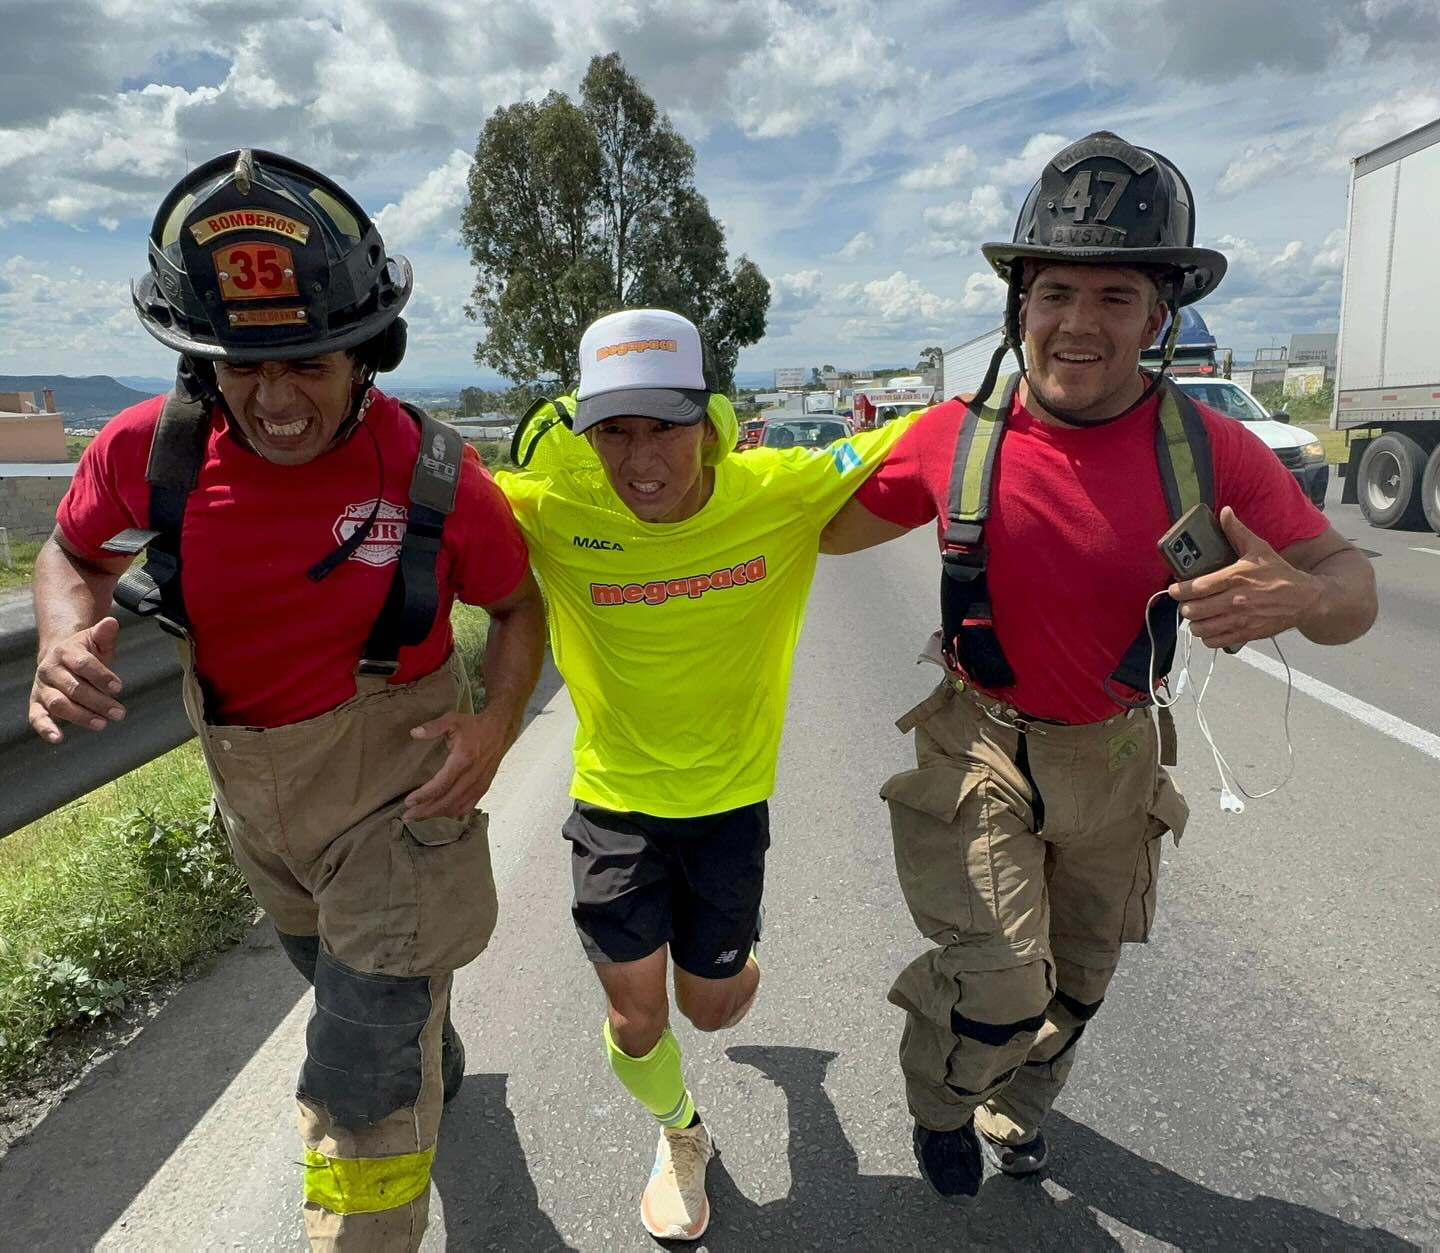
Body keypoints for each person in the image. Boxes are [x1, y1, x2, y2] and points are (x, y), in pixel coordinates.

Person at [820, 131, 1377, 1200]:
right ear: (1017, 305)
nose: (1079, 322)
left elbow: (1349, 588)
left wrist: (1305, 597)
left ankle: (1014, 1106)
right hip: (978, 738)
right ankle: (941, 1095)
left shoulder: (1213, 450)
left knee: (1074, 988)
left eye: (1116, 295)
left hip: (1117, 758)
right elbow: (795, 529)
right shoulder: (950, 437)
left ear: (1159, 317)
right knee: (999, 979)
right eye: (1056, 291)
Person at [28, 149, 546, 1250]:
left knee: (356, 1078)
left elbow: (518, 610)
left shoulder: (438, 478)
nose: (273, 399)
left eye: (307, 361)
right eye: (236, 366)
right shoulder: (149, 451)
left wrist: (496, 726)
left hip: (398, 809)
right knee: (351, 988)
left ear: (368, 349)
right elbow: (68, 552)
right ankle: (428, 1046)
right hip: (260, 817)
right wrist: (67, 630)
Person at [495, 307, 918, 1241]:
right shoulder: (550, 510)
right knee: (639, 1017)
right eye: (615, 430)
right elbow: (421, 506)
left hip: (729, 806)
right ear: (586, 430)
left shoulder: (777, 490)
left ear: (709, 418)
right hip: (614, 802)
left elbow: (918, 443)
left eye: (665, 427)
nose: (640, 458)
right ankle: (680, 1132)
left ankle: (728, 974)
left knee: (712, 1008)